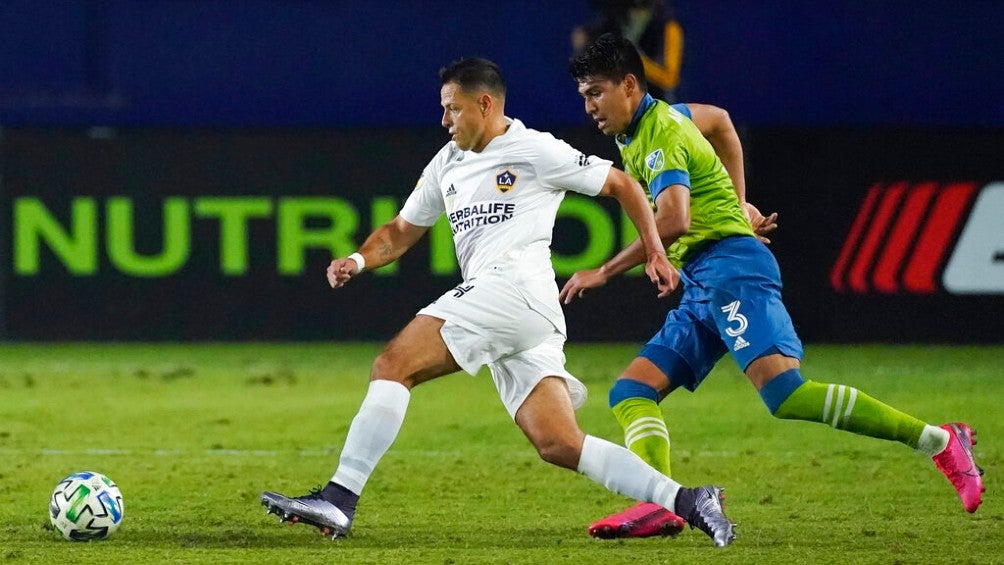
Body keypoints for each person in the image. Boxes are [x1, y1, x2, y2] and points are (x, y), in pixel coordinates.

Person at [260, 57, 736, 547]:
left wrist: (654, 251)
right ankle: (689, 500)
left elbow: (623, 184)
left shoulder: (532, 148)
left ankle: (339, 498)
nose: (445, 121)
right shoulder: (448, 161)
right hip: (528, 314)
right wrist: (357, 261)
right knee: (558, 443)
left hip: (512, 289)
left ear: (485, 104)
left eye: (453, 109)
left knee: (393, 363)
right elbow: (400, 232)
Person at [563, 33, 985, 539]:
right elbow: (719, 119)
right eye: (584, 95)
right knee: (632, 390)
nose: (588, 106)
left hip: (732, 269)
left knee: (786, 394)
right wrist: (741, 202)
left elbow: (673, 218)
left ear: (629, 85)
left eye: (595, 93)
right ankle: (661, 502)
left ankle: (941, 442)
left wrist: (604, 271)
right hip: (704, 277)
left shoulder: (660, 135)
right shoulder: (661, 118)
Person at [571, 0, 684, 102]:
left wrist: (636, 61)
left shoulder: (668, 27)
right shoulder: (616, 20)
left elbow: (669, 78)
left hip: (656, 110)